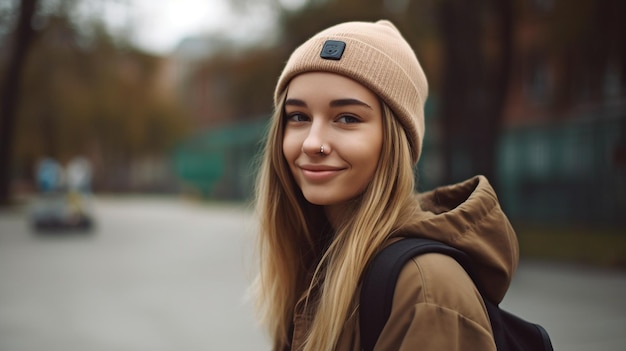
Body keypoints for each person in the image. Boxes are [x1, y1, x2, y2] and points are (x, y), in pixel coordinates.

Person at [253, 20, 518, 351]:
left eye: (347, 118)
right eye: (298, 117)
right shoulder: (318, 264)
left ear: (394, 140)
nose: (312, 142)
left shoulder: (425, 289)